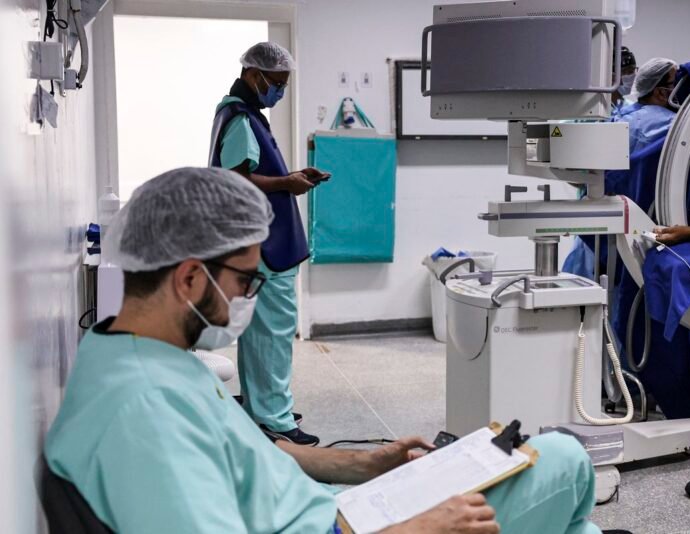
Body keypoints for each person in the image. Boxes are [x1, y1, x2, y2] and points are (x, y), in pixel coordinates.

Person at [45, 167, 615, 534]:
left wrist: (365, 465)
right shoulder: (142, 412)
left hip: (333, 512)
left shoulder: (142, 351)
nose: (248, 296)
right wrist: (413, 529)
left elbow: (247, 453)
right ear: (191, 278)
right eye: (245, 280)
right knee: (563, 461)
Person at [209, 42, 322, 445]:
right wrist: (287, 184)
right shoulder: (241, 118)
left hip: (259, 242)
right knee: (273, 336)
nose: (280, 91)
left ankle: (261, 408)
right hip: (266, 246)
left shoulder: (239, 113)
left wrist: (291, 176)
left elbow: (251, 171)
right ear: (254, 75)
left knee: (259, 335)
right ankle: (275, 419)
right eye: (276, 83)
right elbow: (235, 180)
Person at [613, 57, 678, 153]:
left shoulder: (621, 117)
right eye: (675, 83)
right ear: (660, 93)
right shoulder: (671, 122)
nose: (678, 88)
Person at [611, 46, 638, 117]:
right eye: (628, 72)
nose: (632, 76)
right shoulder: (597, 109)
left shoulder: (631, 108)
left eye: (632, 71)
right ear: (612, 76)